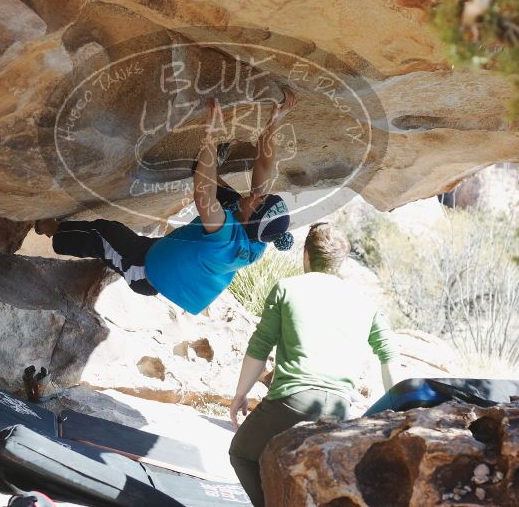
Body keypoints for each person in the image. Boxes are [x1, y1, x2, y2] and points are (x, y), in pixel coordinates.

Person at [35, 89, 297, 315]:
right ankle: (207, 165)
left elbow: (202, 194)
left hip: (146, 269)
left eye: (258, 200)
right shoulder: (258, 232)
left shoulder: (225, 238)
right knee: (232, 198)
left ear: (252, 218)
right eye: (261, 195)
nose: (256, 195)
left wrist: (211, 136)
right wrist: (275, 122)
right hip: (176, 250)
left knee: (104, 233)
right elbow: (264, 165)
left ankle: (50, 229)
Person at [228, 222, 401, 507]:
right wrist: (397, 409)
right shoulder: (363, 302)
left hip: (291, 401)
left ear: (306, 255)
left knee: (243, 454)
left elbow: (260, 346)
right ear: (340, 263)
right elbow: (389, 354)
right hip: (340, 409)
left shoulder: (287, 288)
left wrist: (240, 395)